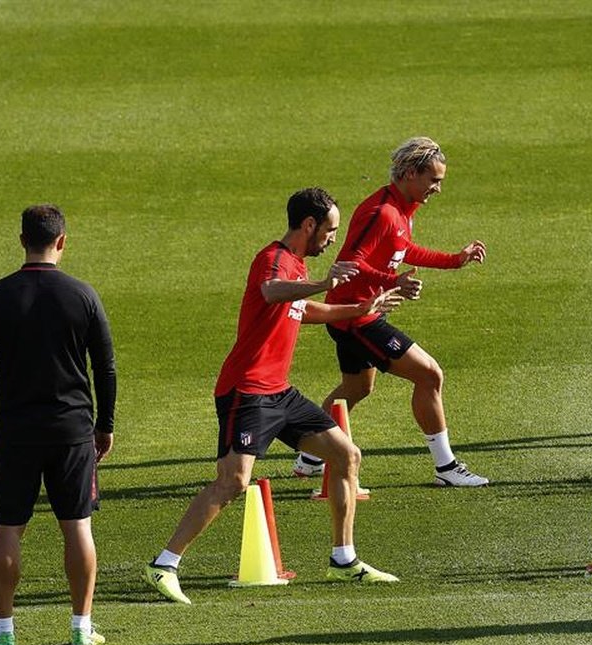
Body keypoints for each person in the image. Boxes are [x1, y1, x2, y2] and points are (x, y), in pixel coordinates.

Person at [143, 188, 404, 605]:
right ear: (308, 225)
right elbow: (271, 293)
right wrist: (321, 282)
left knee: (346, 455)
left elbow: (306, 310)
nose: (333, 237)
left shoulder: (296, 267)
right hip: (246, 392)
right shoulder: (274, 260)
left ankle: (344, 558)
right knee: (233, 482)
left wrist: (362, 308)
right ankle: (164, 564)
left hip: (279, 393)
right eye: (330, 229)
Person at [292, 137, 489, 487]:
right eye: (434, 180)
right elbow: (348, 263)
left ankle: (309, 457)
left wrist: (455, 261)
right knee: (429, 375)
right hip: (356, 317)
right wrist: (391, 281)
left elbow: (402, 249)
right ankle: (446, 468)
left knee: (356, 388)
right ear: (411, 174)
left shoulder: (400, 209)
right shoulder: (381, 211)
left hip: (358, 314)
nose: (437, 189)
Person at [0, 204, 116, 645]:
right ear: (62, 241)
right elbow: (104, 367)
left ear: (21, 241)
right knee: (78, 527)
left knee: (7, 530)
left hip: (15, 432)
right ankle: (81, 629)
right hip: (72, 432)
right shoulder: (83, 294)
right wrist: (104, 425)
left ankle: (5, 632)